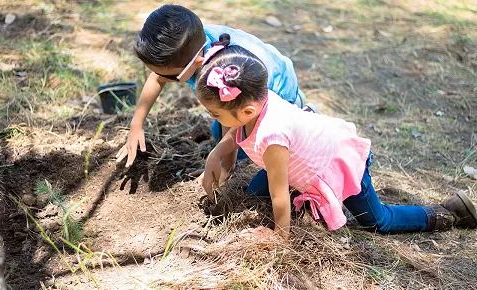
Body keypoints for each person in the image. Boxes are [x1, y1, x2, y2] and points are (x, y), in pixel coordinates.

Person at [195, 34, 477, 237]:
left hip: (335, 164)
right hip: (302, 157)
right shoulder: (258, 102)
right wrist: (217, 151)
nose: (213, 120)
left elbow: (279, 196)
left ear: (246, 110)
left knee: (377, 222)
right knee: (254, 195)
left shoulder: (272, 137)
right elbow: (235, 134)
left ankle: (444, 212)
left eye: (215, 114)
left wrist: (279, 238)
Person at [115, 4, 314, 196]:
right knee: (218, 130)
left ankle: (303, 123)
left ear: (197, 63)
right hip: (239, 99)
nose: (162, 78)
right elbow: (159, 76)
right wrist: (136, 124)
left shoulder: (222, 69)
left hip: (273, 95)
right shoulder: (187, 44)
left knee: (258, 155)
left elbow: (235, 118)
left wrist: (224, 167)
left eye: (172, 77)